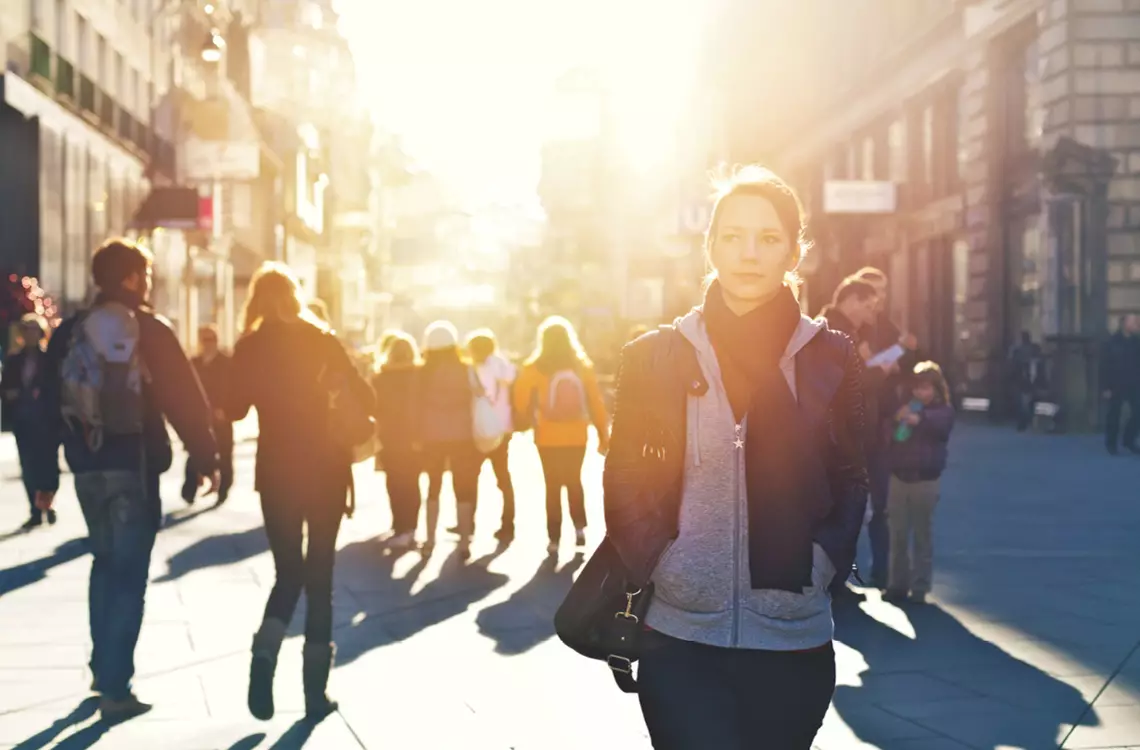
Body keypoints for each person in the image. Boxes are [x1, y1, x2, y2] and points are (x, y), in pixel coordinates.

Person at [604, 166, 867, 748]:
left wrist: (822, 563)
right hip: (680, 636)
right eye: (733, 236)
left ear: (795, 251)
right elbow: (623, 475)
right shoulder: (655, 355)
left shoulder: (832, 356)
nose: (749, 253)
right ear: (711, 245)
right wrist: (663, 562)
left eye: (769, 238)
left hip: (793, 636)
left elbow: (852, 475)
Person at [33, 239, 219, 722]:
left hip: (87, 467)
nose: (150, 282)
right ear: (133, 278)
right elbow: (185, 399)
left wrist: (44, 475)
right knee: (129, 576)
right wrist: (204, 456)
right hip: (133, 468)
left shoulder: (72, 331)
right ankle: (116, 686)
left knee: (104, 562)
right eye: (147, 274)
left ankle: (103, 667)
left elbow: (44, 404)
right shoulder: (151, 331)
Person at [229, 263, 374, 722]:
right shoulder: (321, 340)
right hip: (326, 472)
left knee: (287, 572)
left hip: (276, 474)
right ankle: (315, 693)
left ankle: (263, 658)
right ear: (294, 296)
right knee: (321, 576)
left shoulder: (250, 345)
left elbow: (232, 409)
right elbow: (367, 402)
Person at [821, 277, 895, 590]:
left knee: (855, 506)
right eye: (868, 305)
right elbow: (851, 384)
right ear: (850, 299)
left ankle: (842, 577)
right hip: (847, 436)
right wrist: (877, 370)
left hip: (858, 433)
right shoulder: (833, 333)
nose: (872, 312)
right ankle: (837, 580)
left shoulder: (849, 333)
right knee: (847, 508)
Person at [513, 316, 609, 553]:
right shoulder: (581, 366)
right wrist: (602, 434)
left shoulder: (534, 368)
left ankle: (554, 538)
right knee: (575, 480)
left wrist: (524, 420)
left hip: (547, 436)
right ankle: (579, 529)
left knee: (552, 484)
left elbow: (520, 400)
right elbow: (596, 402)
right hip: (577, 434)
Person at [884, 362, 955, 605]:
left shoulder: (943, 410)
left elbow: (940, 426)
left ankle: (920, 586)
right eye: (917, 388)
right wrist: (898, 421)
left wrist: (919, 419)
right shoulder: (908, 407)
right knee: (898, 535)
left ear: (936, 389)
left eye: (926, 388)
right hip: (899, 477)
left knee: (922, 535)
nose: (921, 393)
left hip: (925, 479)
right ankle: (897, 584)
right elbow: (898, 437)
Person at [417, 320, 481, 553]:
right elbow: (478, 398)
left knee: (433, 487)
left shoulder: (422, 371)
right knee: (463, 488)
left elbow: (416, 404)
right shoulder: (467, 369)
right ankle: (464, 542)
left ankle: (430, 540)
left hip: (431, 436)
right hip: (463, 436)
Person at [2, 314, 59, 529]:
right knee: (28, 467)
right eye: (26, 330)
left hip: (46, 422)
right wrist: (11, 395)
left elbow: (57, 388)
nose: (30, 335)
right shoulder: (14, 361)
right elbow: (5, 388)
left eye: (34, 330)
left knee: (48, 467)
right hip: (23, 421)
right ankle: (36, 510)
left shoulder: (49, 360)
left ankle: (47, 502)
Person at [466, 329, 518, 542]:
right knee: (503, 478)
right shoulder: (504, 366)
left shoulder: (471, 369)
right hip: (502, 428)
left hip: (477, 429)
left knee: (470, 477)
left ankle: (467, 522)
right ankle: (508, 524)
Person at [373, 332, 422, 549]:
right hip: (415, 437)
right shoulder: (419, 376)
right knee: (412, 482)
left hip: (389, 436)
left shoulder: (380, 377)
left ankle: (399, 526)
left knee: (394, 482)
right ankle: (411, 528)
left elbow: (374, 407)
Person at [182, 324, 234, 505]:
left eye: (212, 339)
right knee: (195, 450)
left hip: (221, 416)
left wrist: (226, 410)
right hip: (199, 417)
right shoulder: (193, 363)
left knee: (225, 453)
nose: (208, 344)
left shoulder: (227, 362)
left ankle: (223, 489)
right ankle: (189, 489)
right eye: (205, 340)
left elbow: (234, 389)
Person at [1100, 314, 1140, 454]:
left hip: (1134, 383)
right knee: (1114, 415)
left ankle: (1128, 439)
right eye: (1134, 322)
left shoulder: (1136, 342)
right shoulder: (1112, 342)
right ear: (1124, 324)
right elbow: (1104, 366)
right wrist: (1105, 387)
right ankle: (1111, 444)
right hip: (1116, 383)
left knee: (1137, 412)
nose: (1137, 324)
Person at [1009, 331, 1046, 433]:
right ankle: (1027, 421)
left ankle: (1023, 423)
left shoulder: (1018, 351)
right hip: (1028, 379)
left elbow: (1013, 365)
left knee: (1023, 402)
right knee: (1028, 401)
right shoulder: (1033, 349)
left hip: (1023, 379)